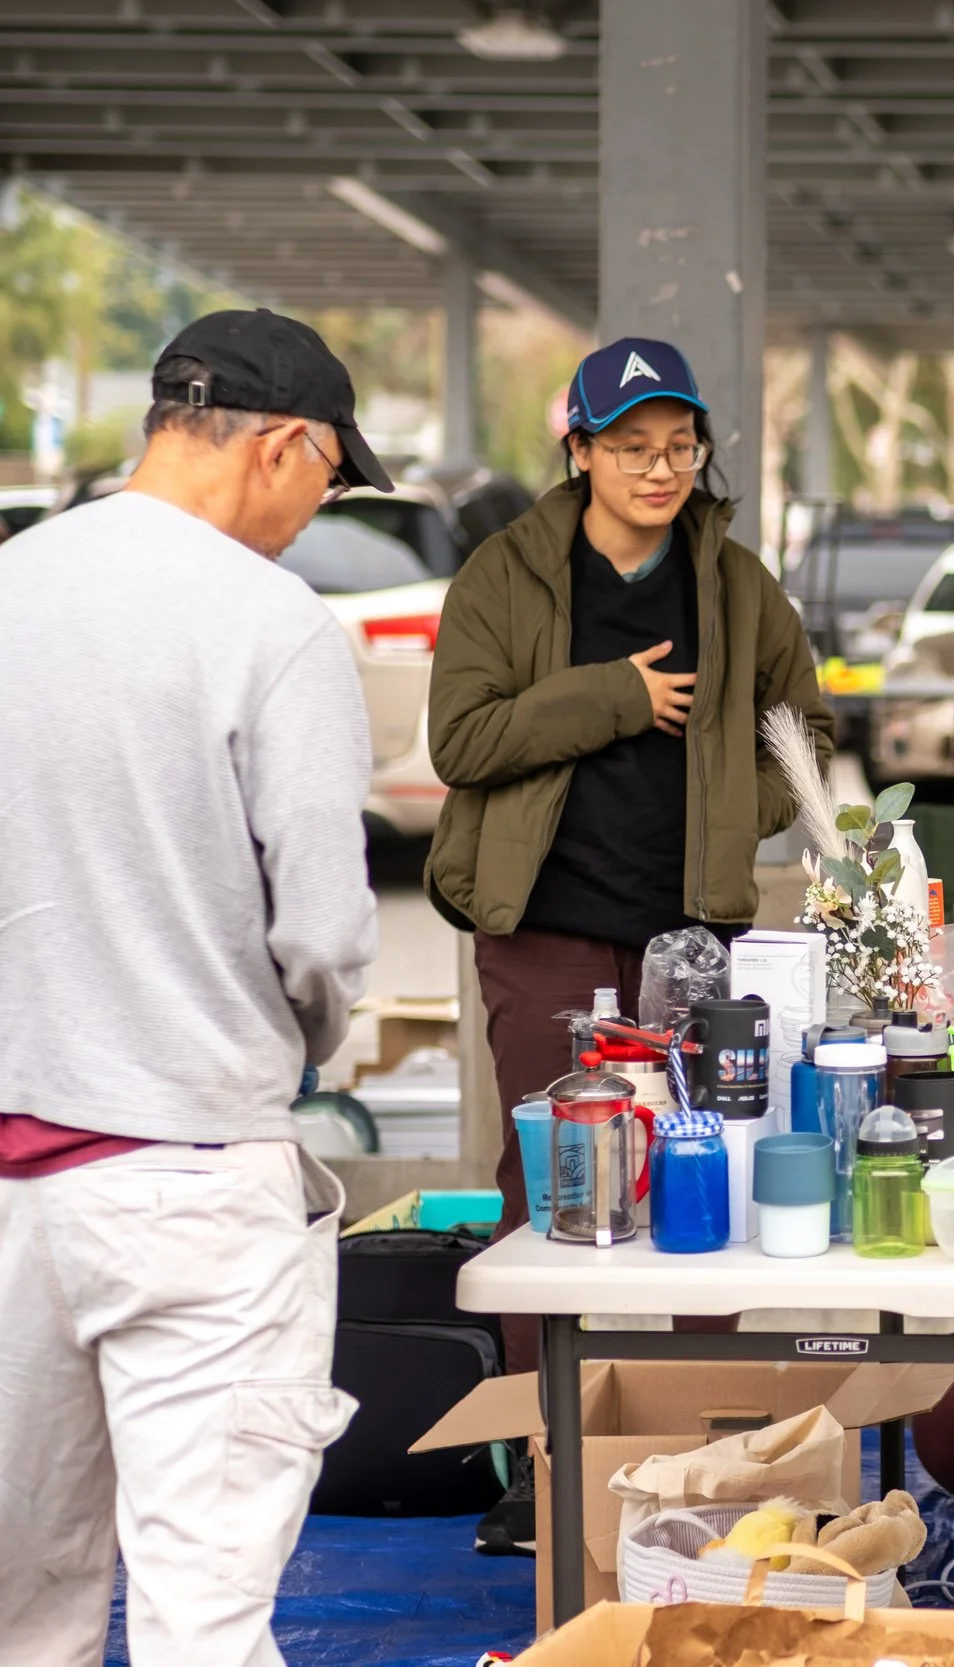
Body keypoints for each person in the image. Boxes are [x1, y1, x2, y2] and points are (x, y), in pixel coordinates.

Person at [0, 309, 384, 1664]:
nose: (319, 510)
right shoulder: (274, 625)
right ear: (280, 445)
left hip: (13, 1182)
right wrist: (304, 1041)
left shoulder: (12, 583)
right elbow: (325, 932)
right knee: (200, 1622)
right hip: (194, 1171)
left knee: (21, 1617)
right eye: (330, 476)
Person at [425, 338, 835, 1378]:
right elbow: (461, 741)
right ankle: (540, 1431)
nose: (660, 468)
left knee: (704, 1167)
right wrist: (616, 695)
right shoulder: (504, 573)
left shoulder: (737, 585)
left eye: (680, 446)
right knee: (553, 1183)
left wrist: (741, 811)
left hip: (691, 933)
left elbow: (804, 732)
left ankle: (696, 1425)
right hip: (545, 926)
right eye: (632, 446)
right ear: (581, 450)